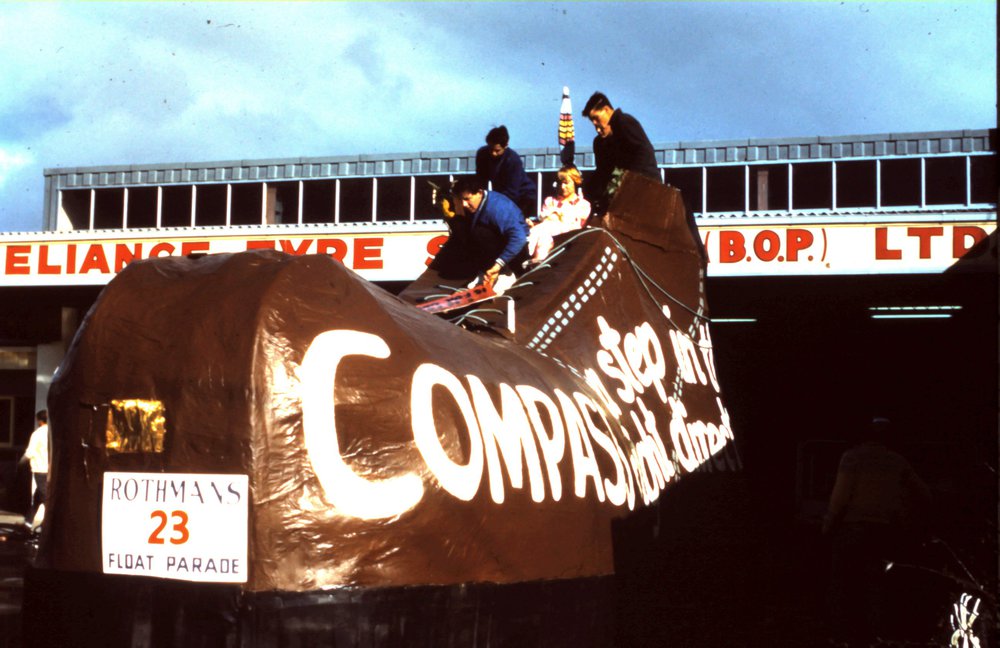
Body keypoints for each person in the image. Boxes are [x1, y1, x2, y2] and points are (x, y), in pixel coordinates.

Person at [823, 416, 931, 647]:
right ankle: (875, 636)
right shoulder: (897, 462)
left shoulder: (852, 458)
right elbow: (923, 493)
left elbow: (840, 495)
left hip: (854, 528)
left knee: (843, 582)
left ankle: (843, 635)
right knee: (877, 585)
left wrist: (828, 523)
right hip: (884, 531)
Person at [431, 177, 529, 287]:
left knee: (481, 232)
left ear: (480, 193)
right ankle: (484, 269)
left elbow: (519, 238)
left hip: (517, 252)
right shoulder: (476, 204)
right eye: (460, 199)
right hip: (496, 247)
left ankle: (505, 274)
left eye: (467, 199)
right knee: (465, 227)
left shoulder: (498, 208)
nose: (464, 204)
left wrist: (498, 266)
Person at [581, 91, 660, 219]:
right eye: (592, 121)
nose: (596, 126)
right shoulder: (599, 143)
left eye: (596, 119)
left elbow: (644, 153)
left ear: (606, 110)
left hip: (645, 188)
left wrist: (626, 182)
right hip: (618, 193)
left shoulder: (624, 122)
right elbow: (602, 171)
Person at [527, 165, 590, 263]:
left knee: (545, 229)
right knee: (543, 233)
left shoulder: (583, 205)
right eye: (560, 183)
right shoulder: (550, 201)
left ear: (575, 182)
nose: (562, 186)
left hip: (570, 243)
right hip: (548, 242)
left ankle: (535, 257)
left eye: (566, 183)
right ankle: (537, 261)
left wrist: (558, 217)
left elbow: (579, 229)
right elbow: (544, 221)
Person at [475, 125, 538, 218]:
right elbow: (480, 181)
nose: (493, 153)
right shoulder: (482, 154)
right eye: (490, 149)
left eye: (497, 150)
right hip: (503, 192)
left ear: (506, 145)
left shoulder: (513, 160)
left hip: (523, 196)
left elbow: (512, 192)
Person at [19, 410, 49, 528]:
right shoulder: (52, 433)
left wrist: (20, 464)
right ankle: (28, 522)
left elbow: (30, 452)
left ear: (39, 421)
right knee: (38, 497)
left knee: (45, 497)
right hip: (50, 470)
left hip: (40, 470)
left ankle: (48, 526)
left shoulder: (37, 434)